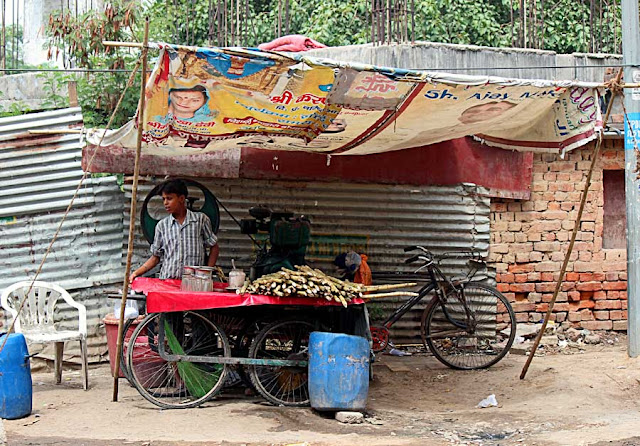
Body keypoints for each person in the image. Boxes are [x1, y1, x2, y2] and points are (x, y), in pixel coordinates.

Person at [130, 179, 219, 282]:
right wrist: (136, 273)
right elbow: (155, 258)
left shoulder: (200, 220)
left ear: (181, 198)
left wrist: (207, 273)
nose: (165, 203)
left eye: (169, 198)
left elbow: (214, 248)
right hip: (168, 282)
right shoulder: (162, 226)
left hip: (194, 283)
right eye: (163, 199)